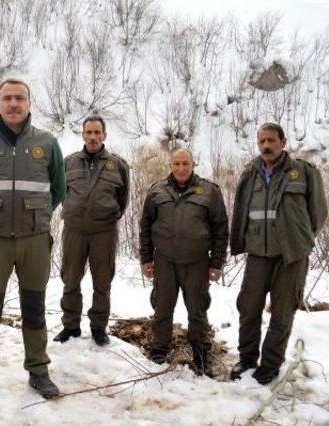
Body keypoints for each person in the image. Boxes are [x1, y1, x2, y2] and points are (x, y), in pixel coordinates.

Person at [0, 78, 66, 400]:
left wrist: (36, 215)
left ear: (30, 103)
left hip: (34, 239)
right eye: (7, 98)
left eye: (20, 98)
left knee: (33, 307)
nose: (13, 103)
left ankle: (39, 371)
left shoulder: (47, 143)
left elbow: (58, 189)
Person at [230, 122, 327, 384]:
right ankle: (247, 359)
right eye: (262, 141)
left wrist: (300, 239)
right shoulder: (250, 173)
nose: (266, 146)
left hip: (290, 256)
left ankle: (270, 365)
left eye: (272, 140)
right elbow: (240, 210)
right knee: (248, 308)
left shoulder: (304, 172)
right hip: (258, 254)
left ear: (283, 143)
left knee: (282, 312)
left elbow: (318, 213)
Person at [139, 149, 229, 377]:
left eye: (185, 163)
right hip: (165, 260)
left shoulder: (209, 191)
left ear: (193, 164)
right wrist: (146, 259)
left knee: (197, 310)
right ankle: (159, 349)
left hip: (197, 261)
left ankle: (200, 352)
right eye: (177, 163)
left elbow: (221, 229)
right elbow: (146, 226)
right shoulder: (157, 190)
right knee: (162, 307)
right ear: (170, 164)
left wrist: (216, 263)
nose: (181, 168)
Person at [54, 115, 129, 346]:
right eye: (89, 132)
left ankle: (98, 328)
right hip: (74, 231)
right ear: (83, 135)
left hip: (104, 233)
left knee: (102, 281)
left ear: (104, 135)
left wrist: (107, 217)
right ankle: (70, 326)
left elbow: (123, 200)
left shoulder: (118, 165)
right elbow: (59, 193)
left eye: (97, 133)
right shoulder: (69, 162)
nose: (93, 137)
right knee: (70, 279)